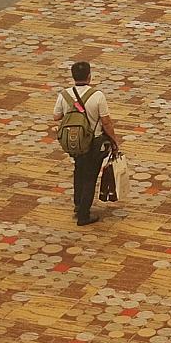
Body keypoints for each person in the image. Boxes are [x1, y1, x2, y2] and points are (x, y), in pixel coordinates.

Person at [52, 61, 121, 227]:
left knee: (79, 171)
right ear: (89, 76)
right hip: (94, 142)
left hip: (75, 142)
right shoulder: (97, 96)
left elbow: (56, 116)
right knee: (90, 176)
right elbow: (106, 122)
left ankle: (78, 204)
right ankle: (84, 214)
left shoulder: (65, 95)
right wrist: (114, 140)